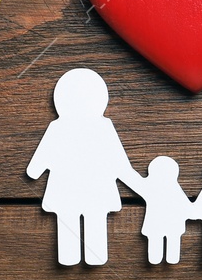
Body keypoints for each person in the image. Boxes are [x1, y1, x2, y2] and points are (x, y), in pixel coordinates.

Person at [26, 68, 142, 266]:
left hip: (65, 190)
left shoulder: (60, 127)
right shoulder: (101, 127)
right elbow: (120, 164)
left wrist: (35, 171)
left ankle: (73, 256)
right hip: (96, 189)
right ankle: (91, 255)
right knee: (91, 217)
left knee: (71, 220)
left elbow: (36, 165)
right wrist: (138, 184)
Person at [133, 156, 194, 265]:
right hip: (171, 225)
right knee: (168, 240)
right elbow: (186, 205)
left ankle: (161, 258)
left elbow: (136, 183)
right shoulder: (172, 188)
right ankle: (165, 258)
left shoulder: (152, 187)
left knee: (163, 240)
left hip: (160, 224)